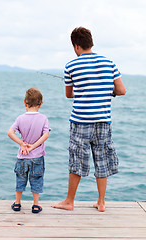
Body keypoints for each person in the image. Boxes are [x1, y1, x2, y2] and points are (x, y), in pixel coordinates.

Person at [53, 27, 126, 212]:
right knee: (101, 159)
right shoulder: (110, 63)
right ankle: (101, 202)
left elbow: (69, 95)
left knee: (76, 160)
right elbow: (121, 90)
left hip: (80, 121)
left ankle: (69, 201)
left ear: (76, 46)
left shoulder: (71, 66)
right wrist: (107, 91)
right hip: (103, 121)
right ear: (90, 43)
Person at [8, 87, 50, 213]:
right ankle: (36, 205)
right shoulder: (43, 118)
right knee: (36, 180)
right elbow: (46, 135)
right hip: (37, 157)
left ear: (25, 103)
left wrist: (22, 144)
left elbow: (10, 133)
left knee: (20, 179)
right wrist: (33, 146)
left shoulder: (20, 118)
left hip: (22, 156)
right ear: (40, 104)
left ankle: (17, 203)